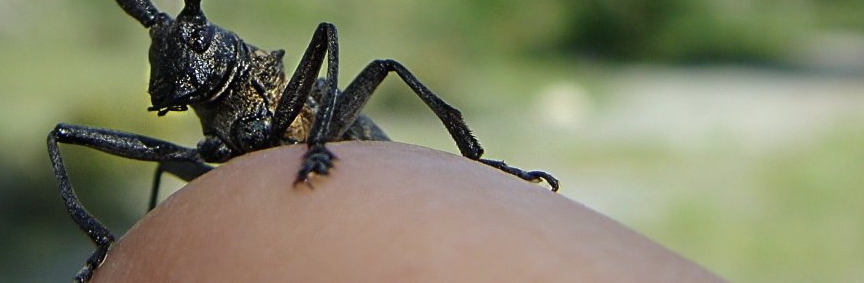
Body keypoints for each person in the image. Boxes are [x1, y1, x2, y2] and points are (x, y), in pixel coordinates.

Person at [92, 140, 721, 281]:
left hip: (338, 137)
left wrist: (316, 144)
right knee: (154, 163)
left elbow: (328, 38)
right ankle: (102, 246)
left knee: (378, 65)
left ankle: (480, 157)